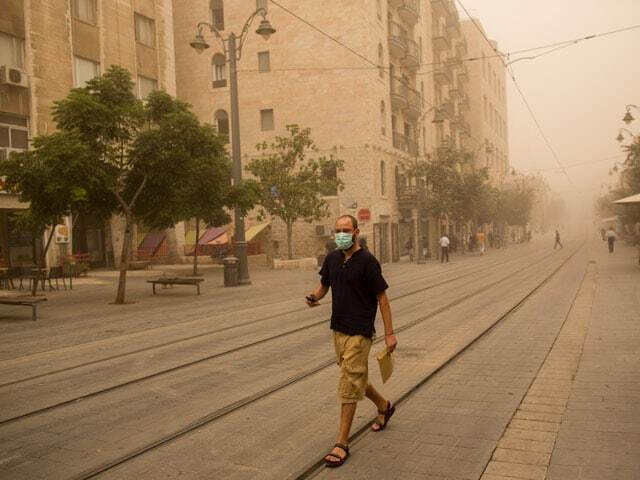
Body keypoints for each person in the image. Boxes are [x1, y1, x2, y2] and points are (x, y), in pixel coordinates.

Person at [306, 215, 398, 468]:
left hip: (360, 331)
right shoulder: (333, 258)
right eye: (337, 230)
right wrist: (314, 297)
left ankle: (342, 442)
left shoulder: (368, 262)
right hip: (338, 329)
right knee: (353, 375)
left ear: (356, 231)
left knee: (348, 382)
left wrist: (390, 333)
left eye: (346, 230)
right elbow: (324, 285)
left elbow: (383, 298)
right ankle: (384, 405)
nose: (341, 234)